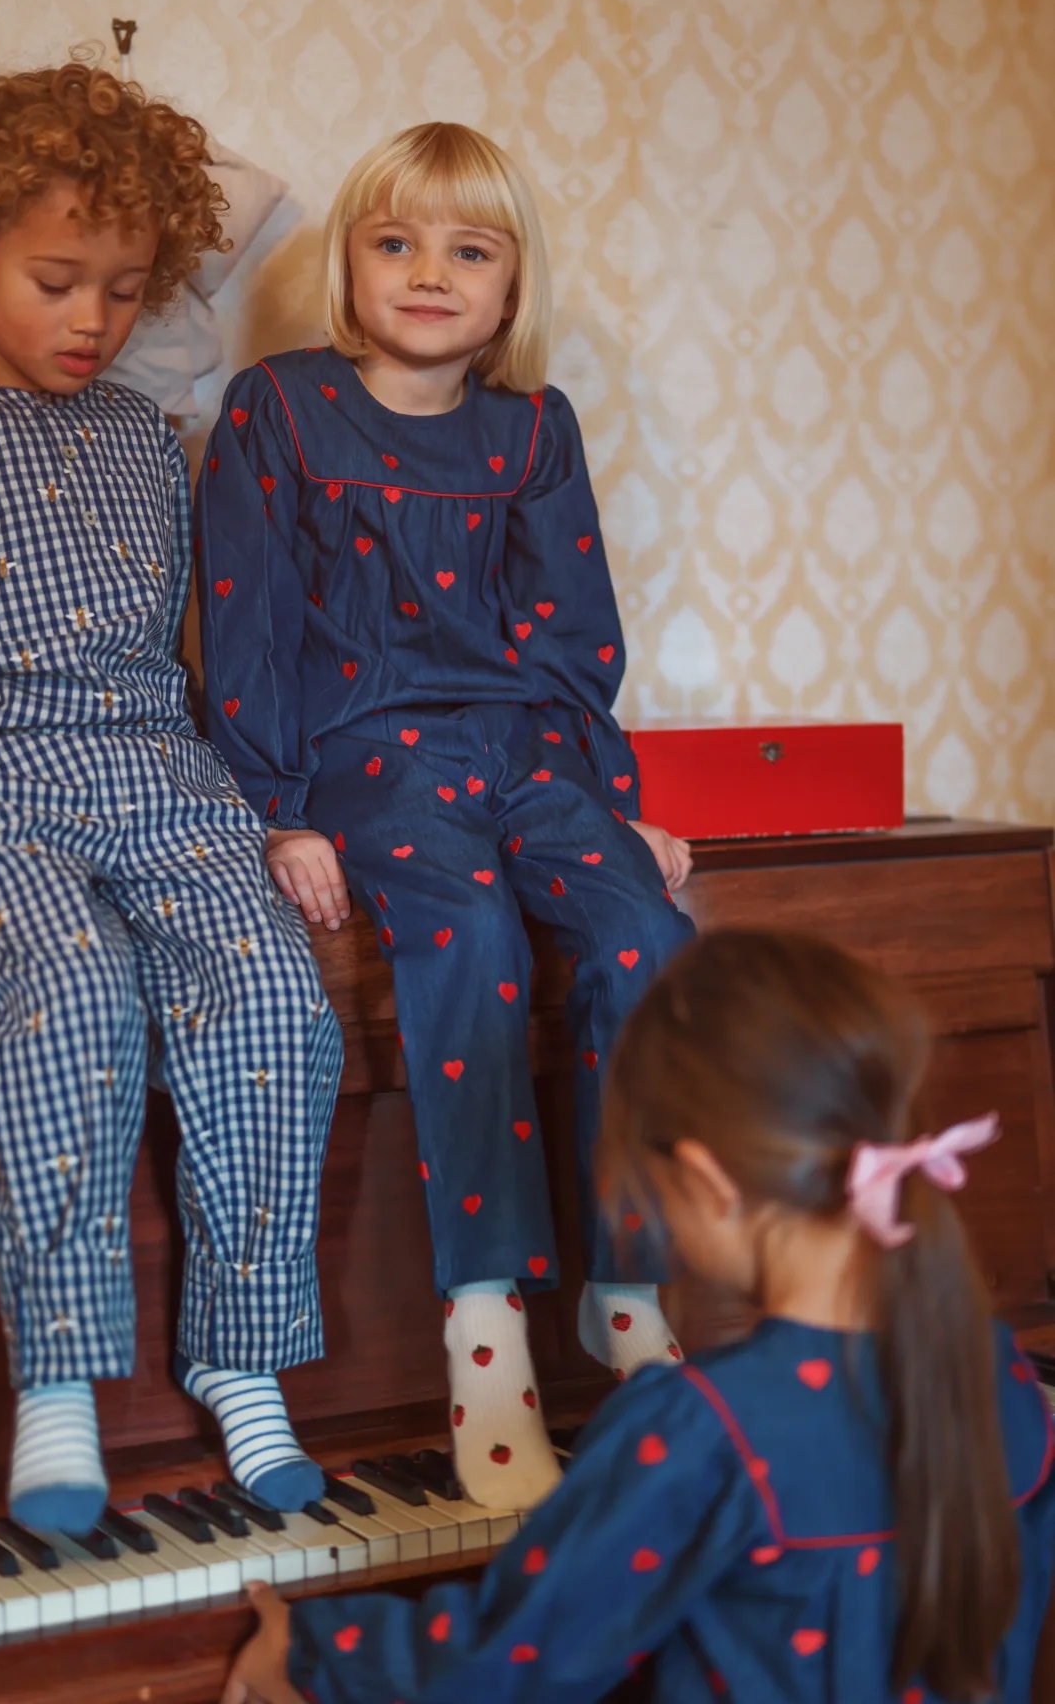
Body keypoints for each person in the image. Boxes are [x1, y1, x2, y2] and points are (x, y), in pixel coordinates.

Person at [0, 63, 343, 1531]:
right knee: (72, 994)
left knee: (273, 995)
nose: (93, 318)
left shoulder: (149, 446)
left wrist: (269, 806)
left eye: (125, 289)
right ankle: (59, 1379)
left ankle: (241, 1353)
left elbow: (198, 645)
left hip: (154, 768)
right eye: (55, 281)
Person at [197, 121, 694, 1510]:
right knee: (468, 937)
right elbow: (244, 623)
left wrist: (614, 807)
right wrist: (274, 808)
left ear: (510, 284)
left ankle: (627, 1290)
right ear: (350, 265)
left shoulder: (533, 430)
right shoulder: (277, 408)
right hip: (365, 757)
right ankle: (485, 1333)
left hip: (527, 750)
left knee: (650, 936)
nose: (429, 274)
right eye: (395, 243)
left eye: (469, 251)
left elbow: (574, 637)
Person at [223, 928, 1055, 1704]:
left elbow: (504, 1664)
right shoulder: (998, 1370)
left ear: (708, 1183)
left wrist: (305, 1648)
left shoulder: (702, 1426)